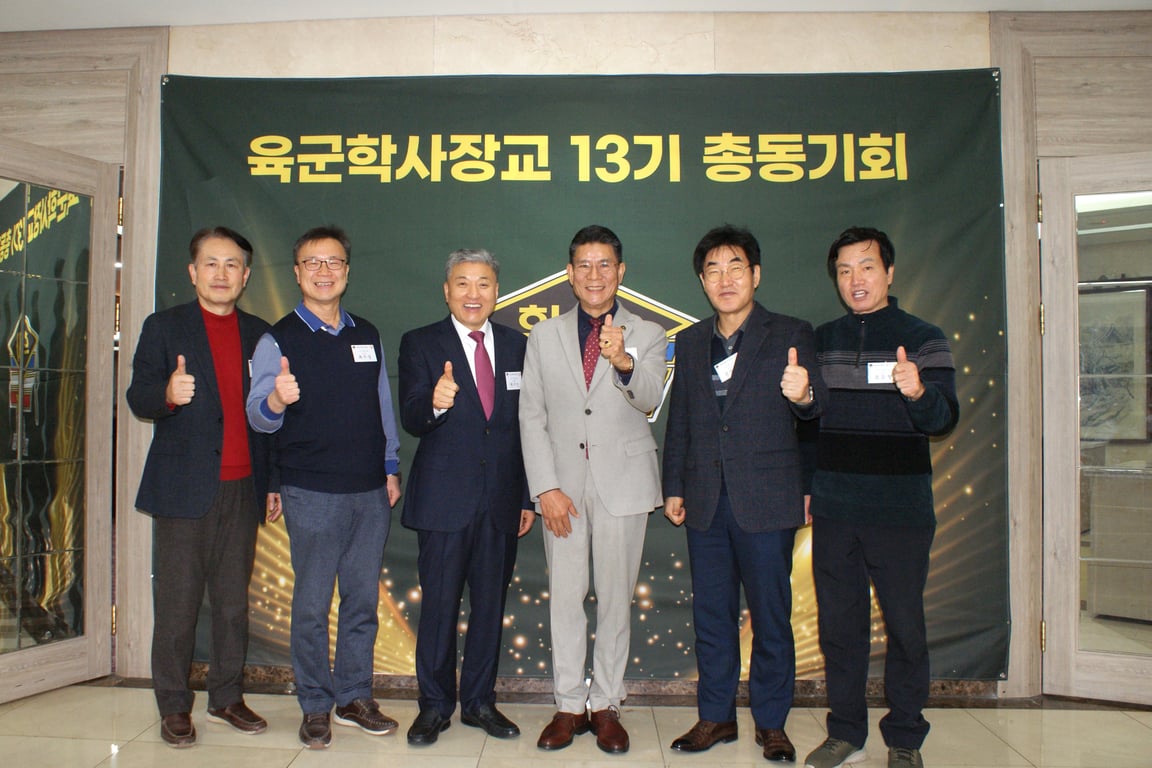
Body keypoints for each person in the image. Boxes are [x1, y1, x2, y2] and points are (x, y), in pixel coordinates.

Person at [662, 224, 826, 763]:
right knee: (712, 615)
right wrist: (674, 486)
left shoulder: (790, 332)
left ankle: (772, 723)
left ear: (755, 274)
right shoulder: (691, 342)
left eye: (736, 267)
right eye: (713, 270)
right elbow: (680, 419)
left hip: (767, 498)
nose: (725, 279)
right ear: (702, 281)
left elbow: (815, 413)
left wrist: (804, 395)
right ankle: (716, 717)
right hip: (706, 498)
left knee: (771, 616)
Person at [802, 227, 958, 768]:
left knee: (906, 628)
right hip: (836, 509)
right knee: (839, 629)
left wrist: (918, 391)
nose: (855, 279)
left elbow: (944, 418)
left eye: (866, 267)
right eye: (844, 270)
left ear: (889, 272)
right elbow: (809, 421)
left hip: (900, 512)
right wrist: (801, 403)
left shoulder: (924, 337)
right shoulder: (822, 339)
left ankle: (906, 737)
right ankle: (846, 732)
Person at [246, 225, 403, 750]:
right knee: (313, 606)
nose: (324, 271)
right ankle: (315, 703)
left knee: (361, 602)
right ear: (297, 273)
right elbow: (257, 417)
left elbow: (382, 405)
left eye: (333, 262)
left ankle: (355, 697)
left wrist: (390, 465)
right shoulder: (277, 340)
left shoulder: (367, 334)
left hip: (369, 492)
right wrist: (276, 400)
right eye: (313, 263)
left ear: (347, 272)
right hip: (310, 492)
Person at [519, 224, 665, 755]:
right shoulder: (544, 335)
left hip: (623, 485)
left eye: (605, 264)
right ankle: (567, 706)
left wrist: (623, 361)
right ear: (569, 273)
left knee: (615, 601)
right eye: (584, 264)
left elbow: (650, 398)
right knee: (565, 599)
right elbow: (531, 416)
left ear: (621, 272)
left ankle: (605, 704)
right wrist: (546, 488)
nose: (594, 274)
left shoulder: (648, 333)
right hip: (563, 491)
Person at [126, 226, 273, 748]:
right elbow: (139, 396)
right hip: (183, 490)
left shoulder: (260, 333)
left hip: (243, 487)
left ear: (245, 275)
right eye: (211, 263)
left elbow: (270, 415)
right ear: (193, 272)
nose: (221, 274)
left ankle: (226, 696)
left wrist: (272, 482)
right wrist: (167, 393)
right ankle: (173, 705)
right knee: (178, 606)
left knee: (233, 605)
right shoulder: (164, 326)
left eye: (232, 265)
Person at [398, 248, 535, 746]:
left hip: (501, 501)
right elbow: (411, 415)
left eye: (483, 284)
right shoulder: (420, 342)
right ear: (446, 290)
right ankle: (434, 705)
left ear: (497, 292)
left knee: (489, 608)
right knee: (438, 608)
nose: (472, 294)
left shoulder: (519, 346)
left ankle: (479, 702)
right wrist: (434, 404)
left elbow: (527, 428)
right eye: (462, 283)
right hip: (443, 501)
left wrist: (526, 497)